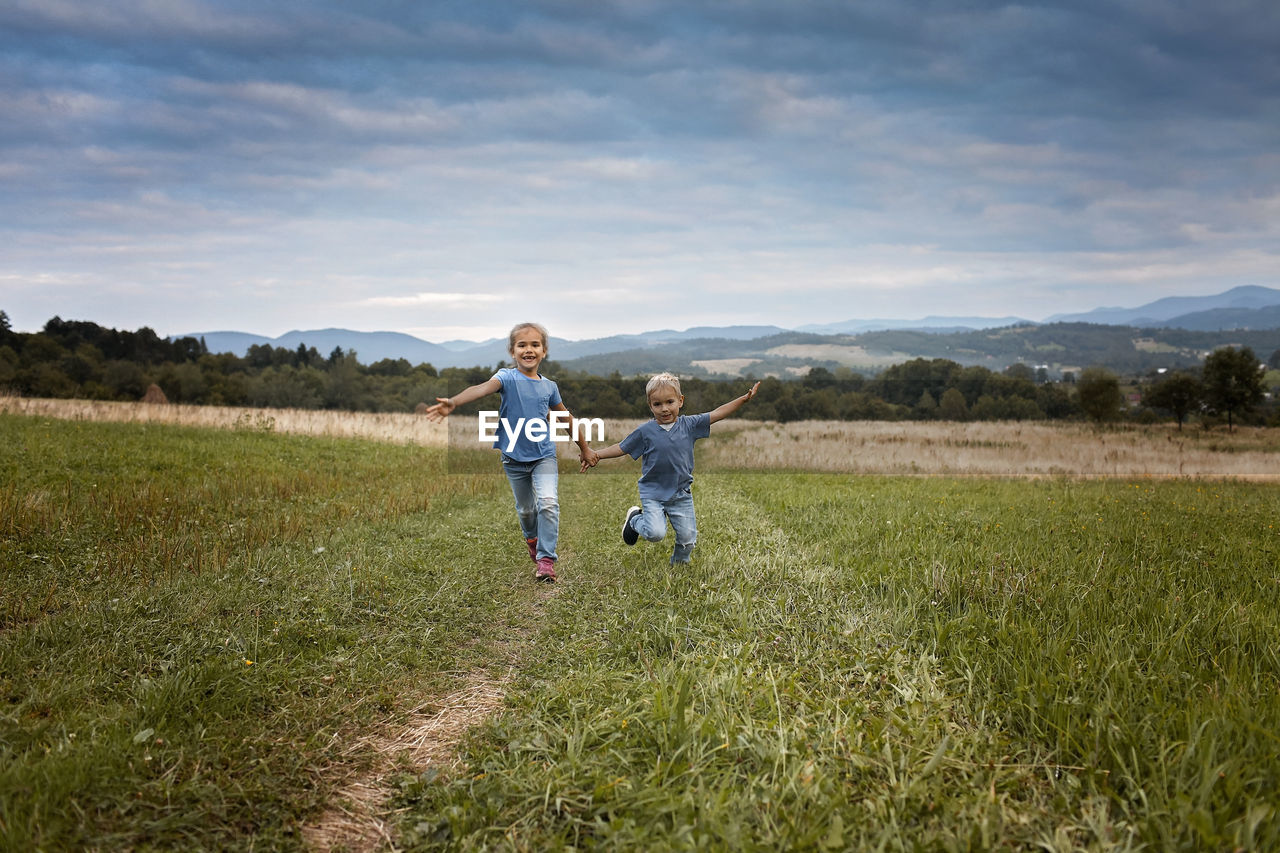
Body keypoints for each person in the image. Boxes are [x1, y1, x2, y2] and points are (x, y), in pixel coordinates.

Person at [425, 322, 598, 582]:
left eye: (535, 345)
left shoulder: (549, 386)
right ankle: (532, 539)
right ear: (512, 350)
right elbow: (480, 389)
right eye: (522, 345)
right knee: (527, 511)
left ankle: (546, 560)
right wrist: (455, 401)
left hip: (543, 456)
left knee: (548, 504)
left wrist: (584, 448)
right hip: (514, 458)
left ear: (544, 350)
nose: (529, 350)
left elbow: (566, 418)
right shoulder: (506, 378)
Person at [582, 373, 758, 565]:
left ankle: (679, 565)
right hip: (653, 493)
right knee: (655, 533)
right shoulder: (645, 432)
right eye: (657, 404)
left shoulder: (689, 425)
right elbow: (622, 447)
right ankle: (634, 520)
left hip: (680, 494)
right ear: (650, 405)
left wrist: (743, 399)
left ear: (680, 401)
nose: (664, 409)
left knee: (688, 538)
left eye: (670, 402)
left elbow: (717, 414)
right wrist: (596, 455)